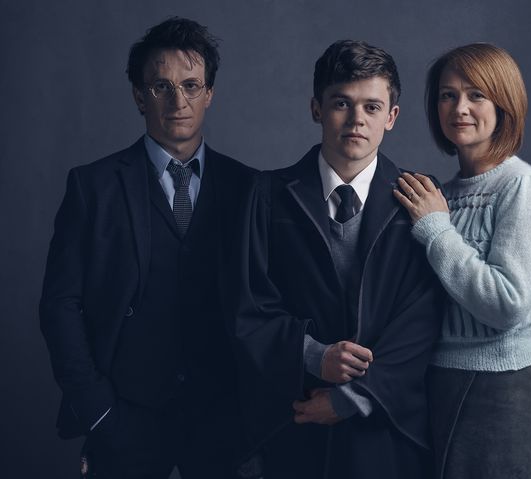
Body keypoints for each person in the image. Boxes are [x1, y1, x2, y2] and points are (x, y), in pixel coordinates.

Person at [39, 17, 255, 478]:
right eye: (161, 87)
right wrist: (98, 411)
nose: (178, 101)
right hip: (124, 416)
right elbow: (60, 305)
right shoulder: (92, 187)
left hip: (223, 421)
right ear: (140, 96)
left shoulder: (249, 188)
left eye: (191, 86)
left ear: (209, 94)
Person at [232, 40, 443, 479]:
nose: (356, 119)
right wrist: (314, 355)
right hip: (295, 418)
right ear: (316, 108)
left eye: (371, 107)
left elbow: (423, 316)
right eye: (341, 103)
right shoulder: (267, 195)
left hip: (384, 427)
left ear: (391, 116)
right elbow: (248, 304)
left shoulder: (420, 198)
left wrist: (353, 398)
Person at [393, 43, 531, 478]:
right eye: (447, 95)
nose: (459, 108)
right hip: (435, 384)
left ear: (504, 104)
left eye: (476, 95)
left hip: (501, 391)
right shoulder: (441, 196)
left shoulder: (522, 188)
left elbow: (508, 304)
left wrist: (436, 229)